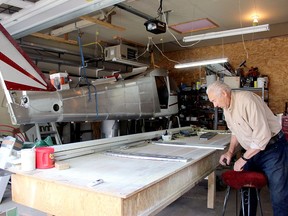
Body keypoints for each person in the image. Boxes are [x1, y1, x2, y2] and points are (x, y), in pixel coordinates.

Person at [206, 81, 288, 216]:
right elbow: (235, 132)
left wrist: (243, 159)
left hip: (273, 149)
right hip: (253, 151)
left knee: (279, 196)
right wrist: (230, 152)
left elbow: (263, 136)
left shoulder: (247, 100)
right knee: (247, 193)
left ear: (224, 93)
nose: (214, 105)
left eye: (214, 100)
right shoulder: (227, 108)